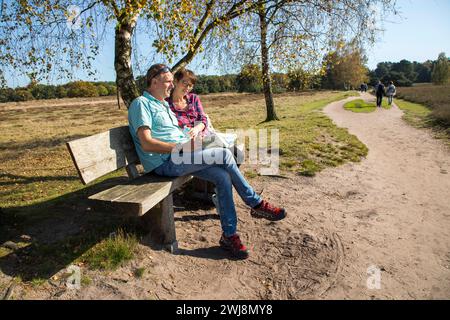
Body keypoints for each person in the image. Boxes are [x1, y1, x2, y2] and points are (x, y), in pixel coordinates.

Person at [128, 64, 287, 260]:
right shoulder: (141, 103)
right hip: (166, 162)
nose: (171, 86)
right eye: (169, 81)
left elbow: (176, 134)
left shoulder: (162, 105)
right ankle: (256, 203)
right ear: (154, 81)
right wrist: (182, 148)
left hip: (183, 153)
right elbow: (147, 143)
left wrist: (193, 141)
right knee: (224, 155)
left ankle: (229, 236)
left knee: (222, 176)